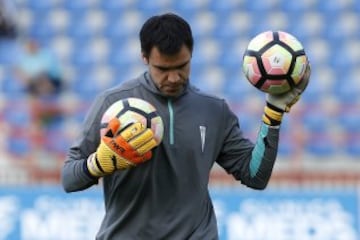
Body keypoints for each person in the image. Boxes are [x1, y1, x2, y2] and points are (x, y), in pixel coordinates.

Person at [61, 13, 310, 239]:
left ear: (191, 55)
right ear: (144, 58)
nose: (173, 77)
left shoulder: (214, 110)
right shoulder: (113, 104)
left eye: (182, 67)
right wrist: (97, 164)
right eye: (162, 69)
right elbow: (69, 178)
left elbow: (255, 176)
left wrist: (274, 113)